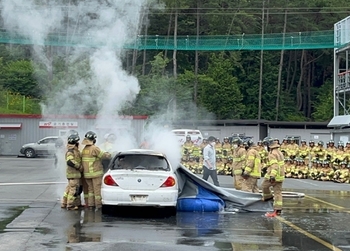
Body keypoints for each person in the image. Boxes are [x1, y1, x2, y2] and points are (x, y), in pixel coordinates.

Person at [81, 131, 111, 211]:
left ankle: (91, 205)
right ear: (93, 140)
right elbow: (104, 156)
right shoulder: (94, 148)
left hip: (87, 174)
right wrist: (110, 154)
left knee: (90, 190)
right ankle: (98, 205)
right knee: (97, 191)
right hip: (95, 174)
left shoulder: (84, 149)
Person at [261, 137, 285, 217]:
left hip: (274, 175)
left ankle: (268, 198)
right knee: (278, 193)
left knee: (264, 186)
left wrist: (272, 176)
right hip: (280, 176)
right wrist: (266, 166)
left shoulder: (272, 154)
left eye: (265, 145)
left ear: (268, 145)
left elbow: (274, 165)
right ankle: (277, 210)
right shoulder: (279, 152)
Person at [61, 134, 83, 210]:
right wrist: (79, 167)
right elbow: (70, 162)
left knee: (69, 189)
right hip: (74, 174)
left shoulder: (74, 151)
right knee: (73, 190)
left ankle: (65, 203)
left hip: (72, 174)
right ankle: (70, 205)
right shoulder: (71, 152)